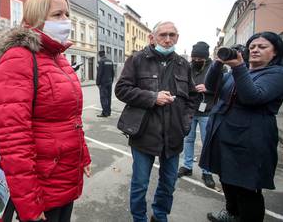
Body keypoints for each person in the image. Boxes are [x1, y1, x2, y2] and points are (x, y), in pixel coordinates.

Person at [0, 0, 91, 222]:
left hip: (64, 176)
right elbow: (14, 141)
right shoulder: (18, 59)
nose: (65, 21)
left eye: (67, 15)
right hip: (42, 185)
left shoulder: (58, 57)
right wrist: (29, 204)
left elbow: (71, 119)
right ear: (36, 17)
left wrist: (83, 156)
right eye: (57, 15)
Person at [115, 21, 198, 222]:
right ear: (152, 38)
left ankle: (160, 216)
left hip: (174, 136)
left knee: (169, 183)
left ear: (177, 37)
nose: (168, 39)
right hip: (144, 134)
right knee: (140, 183)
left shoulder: (183, 64)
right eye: (163, 35)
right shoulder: (137, 59)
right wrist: (152, 97)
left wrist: (185, 123)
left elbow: (193, 97)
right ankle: (139, 219)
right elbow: (121, 89)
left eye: (172, 35)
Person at [199, 31, 283, 222]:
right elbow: (211, 86)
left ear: (275, 52)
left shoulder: (277, 74)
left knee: (246, 187)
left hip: (250, 139)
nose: (255, 50)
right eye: (252, 46)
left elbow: (253, 97)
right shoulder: (240, 70)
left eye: (262, 47)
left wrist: (238, 67)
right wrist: (218, 62)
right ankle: (231, 213)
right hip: (225, 134)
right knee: (226, 178)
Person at [177, 41, 215, 189]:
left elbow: (224, 87)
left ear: (206, 57)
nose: (197, 61)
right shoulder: (188, 67)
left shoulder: (216, 68)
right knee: (188, 140)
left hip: (207, 111)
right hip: (190, 110)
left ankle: (207, 172)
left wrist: (208, 89)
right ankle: (187, 166)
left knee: (207, 142)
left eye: (200, 58)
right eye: (194, 58)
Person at [96, 50, 114, 117]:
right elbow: (113, 73)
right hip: (109, 82)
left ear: (100, 55)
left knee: (103, 98)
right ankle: (109, 112)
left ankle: (104, 113)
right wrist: (111, 81)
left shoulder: (101, 61)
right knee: (109, 97)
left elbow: (99, 73)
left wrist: (98, 83)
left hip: (103, 83)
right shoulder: (110, 61)